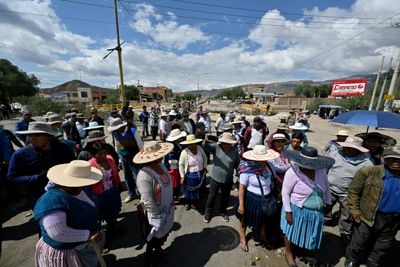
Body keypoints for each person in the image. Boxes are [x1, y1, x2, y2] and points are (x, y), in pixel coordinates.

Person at [34, 160, 104, 267]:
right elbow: (58, 232)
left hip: (83, 247)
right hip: (65, 253)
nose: (81, 187)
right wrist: (87, 235)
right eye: (77, 184)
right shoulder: (51, 200)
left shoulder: (78, 190)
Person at [346, 146, 400, 267]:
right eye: (392, 159)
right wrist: (354, 210)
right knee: (359, 242)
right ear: (383, 158)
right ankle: (352, 260)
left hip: (393, 220)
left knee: (382, 246)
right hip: (368, 215)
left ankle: (373, 263)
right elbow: (353, 192)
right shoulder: (368, 172)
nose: (397, 162)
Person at [281, 147, 335, 266]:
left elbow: (326, 188)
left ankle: (302, 250)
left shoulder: (320, 171)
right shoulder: (292, 172)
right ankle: (289, 253)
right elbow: (285, 192)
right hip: (297, 209)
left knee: (307, 232)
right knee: (290, 232)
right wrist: (288, 211)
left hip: (316, 211)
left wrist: (328, 202)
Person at [8, 122, 76, 207]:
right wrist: (37, 177)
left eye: (37, 135)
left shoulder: (63, 149)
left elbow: (73, 166)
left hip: (66, 194)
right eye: (30, 135)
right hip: (39, 197)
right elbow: (12, 177)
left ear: (49, 136)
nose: (33, 138)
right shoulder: (21, 154)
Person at [133, 141, 175, 267]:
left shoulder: (161, 165)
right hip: (154, 213)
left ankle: (159, 250)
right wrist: (157, 216)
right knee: (152, 237)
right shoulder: (144, 175)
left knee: (162, 235)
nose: (161, 156)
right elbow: (147, 200)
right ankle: (150, 258)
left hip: (166, 208)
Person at [326, 136, 373, 244]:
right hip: (330, 188)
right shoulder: (335, 154)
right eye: (347, 147)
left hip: (348, 194)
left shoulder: (366, 163)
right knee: (324, 207)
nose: (348, 149)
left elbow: (368, 181)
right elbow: (326, 168)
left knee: (346, 215)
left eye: (352, 148)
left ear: (358, 149)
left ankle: (344, 232)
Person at [236, 145, 278, 252]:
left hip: (267, 199)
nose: (262, 162)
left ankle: (263, 236)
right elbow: (241, 187)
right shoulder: (247, 169)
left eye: (264, 159)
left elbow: (275, 180)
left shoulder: (269, 167)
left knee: (263, 219)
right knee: (244, 219)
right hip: (251, 199)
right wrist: (241, 204)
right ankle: (243, 238)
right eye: (259, 160)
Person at [88, 143, 121, 253]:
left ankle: (113, 230)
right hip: (99, 194)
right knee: (100, 217)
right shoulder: (90, 165)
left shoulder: (110, 159)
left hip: (112, 190)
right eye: (99, 154)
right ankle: (102, 242)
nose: (103, 155)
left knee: (113, 212)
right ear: (93, 155)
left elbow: (115, 173)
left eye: (105, 152)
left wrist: (118, 185)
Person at [203, 132, 240, 223]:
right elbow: (206, 146)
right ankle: (208, 212)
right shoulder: (216, 147)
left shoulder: (234, 151)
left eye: (228, 143)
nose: (226, 145)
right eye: (224, 143)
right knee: (212, 196)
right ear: (221, 142)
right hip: (215, 178)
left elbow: (238, 165)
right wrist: (206, 140)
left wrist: (239, 177)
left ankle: (223, 211)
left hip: (228, 180)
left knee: (225, 197)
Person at [108, 118, 143, 203]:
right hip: (124, 158)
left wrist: (142, 157)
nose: (115, 130)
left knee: (137, 176)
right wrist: (119, 159)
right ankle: (132, 193)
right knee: (127, 176)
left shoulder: (133, 131)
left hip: (135, 157)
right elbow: (117, 146)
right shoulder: (116, 133)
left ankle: (141, 193)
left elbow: (141, 145)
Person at [179, 134, 207, 210]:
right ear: (187, 144)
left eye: (193, 144)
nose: (192, 145)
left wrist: (204, 167)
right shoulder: (184, 152)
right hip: (189, 175)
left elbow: (205, 157)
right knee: (189, 191)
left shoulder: (200, 148)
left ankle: (195, 202)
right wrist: (182, 176)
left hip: (200, 173)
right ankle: (188, 202)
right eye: (190, 144)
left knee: (198, 191)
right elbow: (181, 165)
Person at [165, 129, 187, 203]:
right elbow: (170, 161)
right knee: (174, 185)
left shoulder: (176, 145)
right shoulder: (172, 148)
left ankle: (176, 197)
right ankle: (174, 198)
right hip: (173, 170)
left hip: (174, 169)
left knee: (176, 185)